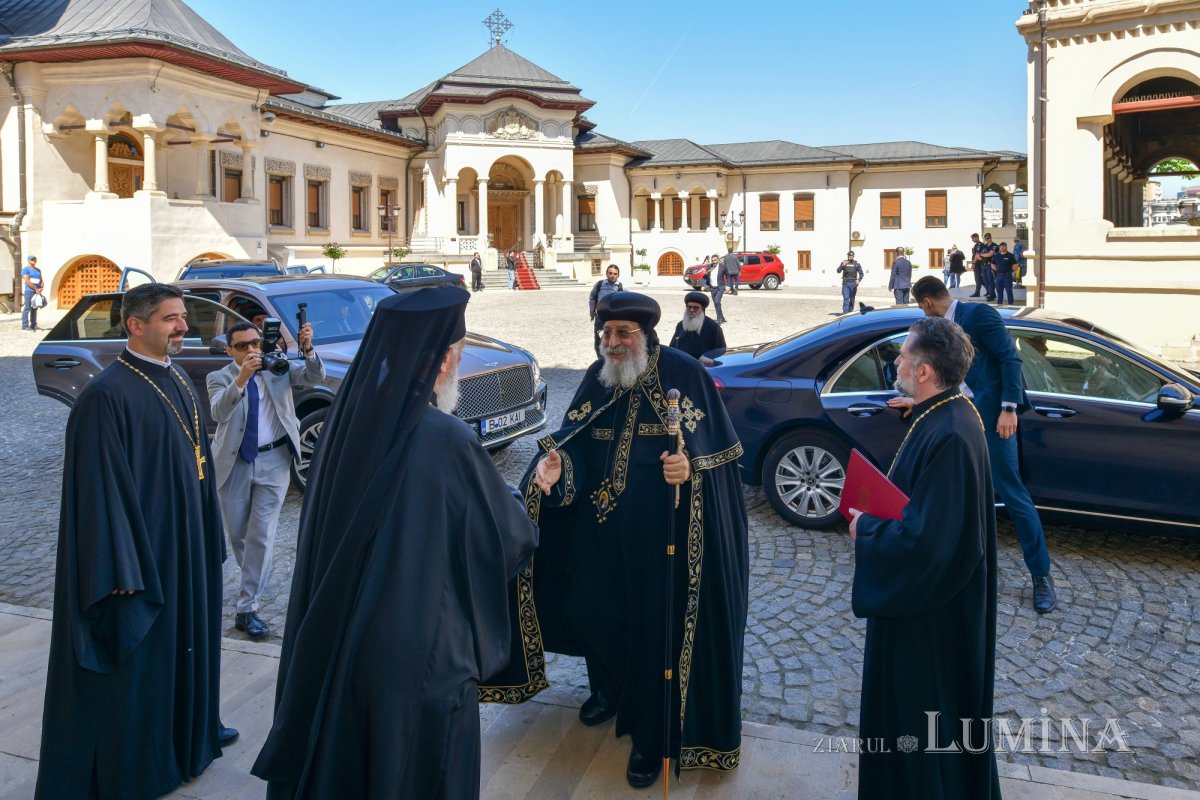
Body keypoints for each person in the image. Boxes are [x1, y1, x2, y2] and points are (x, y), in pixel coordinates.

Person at [252, 286, 538, 800]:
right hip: (417, 649)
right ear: (444, 359)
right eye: (457, 351)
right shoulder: (445, 437)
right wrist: (527, 493)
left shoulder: (345, 423)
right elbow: (504, 535)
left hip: (343, 638)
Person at [492, 291, 747, 790]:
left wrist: (688, 468)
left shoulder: (684, 376)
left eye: (624, 333)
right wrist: (557, 468)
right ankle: (608, 690)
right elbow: (574, 444)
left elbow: (715, 460)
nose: (613, 342)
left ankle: (652, 738)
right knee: (593, 611)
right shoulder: (599, 377)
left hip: (661, 544)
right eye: (607, 333)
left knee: (653, 636)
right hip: (600, 536)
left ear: (646, 336)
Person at [36, 283, 236, 800]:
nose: (183, 327)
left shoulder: (176, 378)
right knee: (145, 666)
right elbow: (96, 495)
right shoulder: (105, 397)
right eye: (171, 319)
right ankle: (145, 763)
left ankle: (190, 736)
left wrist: (208, 533)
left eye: (182, 317)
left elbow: (198, 462)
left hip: (185, 546)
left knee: (186, 647)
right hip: (145, 559)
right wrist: (120, 569)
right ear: (136, 325)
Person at [849, 315, 1001, 800]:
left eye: (903, 357)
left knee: (920, 725)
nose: (896, 362)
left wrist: (866, 529)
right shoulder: (946, 412)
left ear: (925, 371)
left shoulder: (950, 432)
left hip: (931, 622)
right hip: (934, 608)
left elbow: (928, 544)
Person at [902, 276, 1057, 613]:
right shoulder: (942, 331)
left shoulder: (979, 315)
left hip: (993, 420)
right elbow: (945, 378)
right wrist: (917, 400)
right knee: (955, 495)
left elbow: (1010, 359)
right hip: (957, 419)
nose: (924, 313)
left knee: (1013, 494)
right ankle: (954, 569)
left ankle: (1041, 575)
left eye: (922, 308)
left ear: (927, 302)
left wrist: (1008, 408)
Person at [207, 319, 325, 639]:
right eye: (242, 346)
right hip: (234, 463)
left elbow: (314, 376)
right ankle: (253, 579)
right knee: (239, 536)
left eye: (255, 343)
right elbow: (219, 412)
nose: (251, 350)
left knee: (261, 535)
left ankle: (247, 608)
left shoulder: (278, 367)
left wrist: (308, 350)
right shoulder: (219, 377)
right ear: (230, 350)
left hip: (275, 460)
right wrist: (242, 379)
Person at [669, 290, 726, 362]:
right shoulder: (680, 325)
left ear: (702, 310)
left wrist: (707, 357)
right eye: (689, 307)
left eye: (696, 308)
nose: (692, 310)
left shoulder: (713, 327)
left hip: (701, 366)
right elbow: (672, 348)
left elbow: (721, 351)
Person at [589, 264, 624, 356]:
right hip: (600, 317)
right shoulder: (599, 284)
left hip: (612, 318)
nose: (612, 276)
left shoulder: (620, 287)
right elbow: (592, 297)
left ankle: (609, 357)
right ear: (606, 274)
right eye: (610, 273)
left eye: (615, 274)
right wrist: (591, 311)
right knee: (599, 338)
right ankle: (600, 358)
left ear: (618, 275)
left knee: (611, 338)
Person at [991, 241, 1018, 305]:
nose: (1002, 248)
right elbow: (992, 264)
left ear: (1006, 247)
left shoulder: (1010, 255)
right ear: (999, 247)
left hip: (1007, 276)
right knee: (999, 292)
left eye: (1004, 246)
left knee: (1009, 291)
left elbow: (1015, 265)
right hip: (998, 276)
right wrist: (998, 270)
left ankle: (1010, 305)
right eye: (1001, 246)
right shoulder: (996, 255)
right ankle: (999, 304)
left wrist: (1010, 271)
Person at [21, 254, 43, 331]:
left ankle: (33, 325)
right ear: (28, 260)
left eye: (34, 259)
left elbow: (41, 280)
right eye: (32, 259)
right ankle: (25, 326)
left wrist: (41, 288)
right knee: (27, 308)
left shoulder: (38, 270)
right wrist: (35, 289)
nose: (33, 260)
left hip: (37, 291)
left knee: (34, 308)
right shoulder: (25, 270)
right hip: (29, 291)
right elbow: (27, 281)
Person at [968, 233, 992, 300]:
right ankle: (989, 291)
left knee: (977, 278)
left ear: (976, 237)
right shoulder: (979, 244)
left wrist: (973, 263)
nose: (972, 240)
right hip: (979, 263)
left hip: (978, 264)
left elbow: (977, 254)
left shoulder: (979, 244)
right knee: (981, 279)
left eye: (973, 238)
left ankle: (977, 292)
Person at [709, 252, 728, 323]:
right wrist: (704, 285)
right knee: (716, 303)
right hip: (712, 288)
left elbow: (728, 276)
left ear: (718, 260)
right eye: (712, 260)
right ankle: (722, 318)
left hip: (720, 287)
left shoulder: (722, 266)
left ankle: (719, 318)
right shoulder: (709, 266)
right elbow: (705, 276)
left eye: (715, 260)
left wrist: (728, 285)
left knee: (717, 301)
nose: (714, 261)